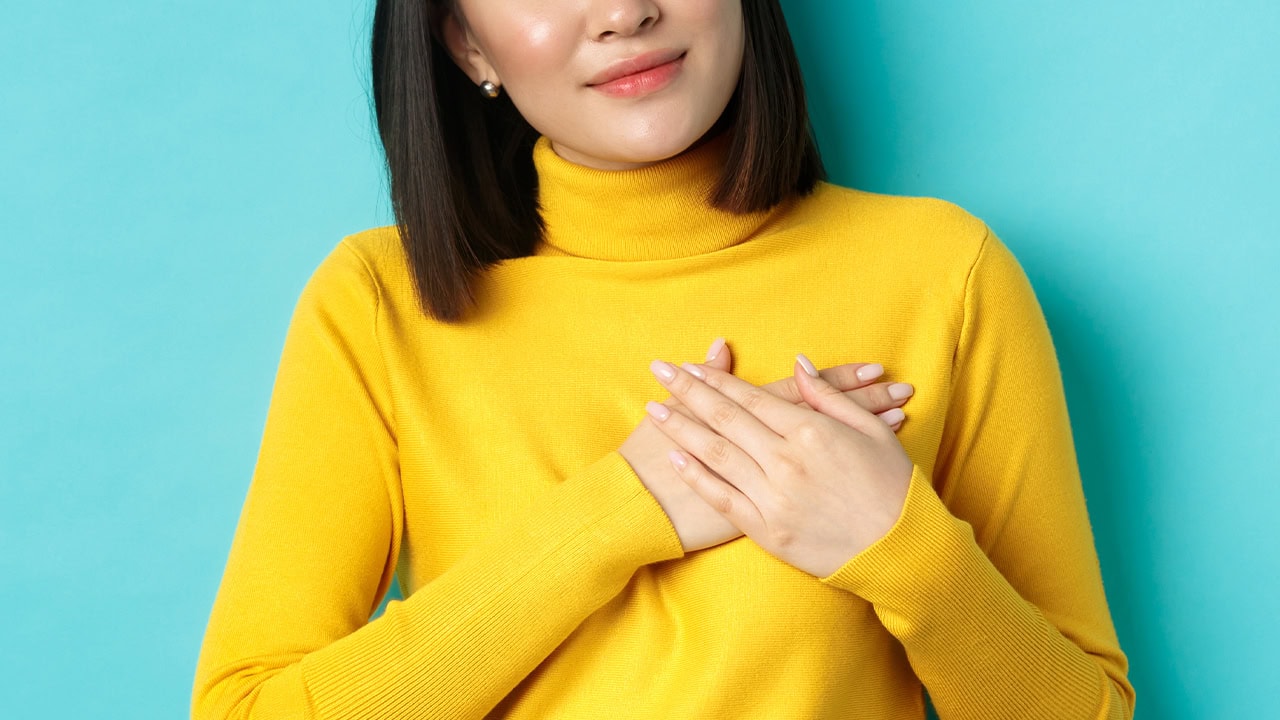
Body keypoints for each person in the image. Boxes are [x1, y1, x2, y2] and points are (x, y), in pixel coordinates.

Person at [191, 1, 1136, 718]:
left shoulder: (941, 274)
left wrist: (903, 549)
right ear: (466, 45)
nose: (624, 12)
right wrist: (618, 515)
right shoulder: (379, 301)